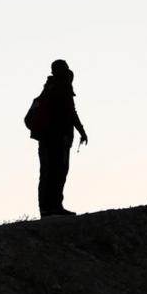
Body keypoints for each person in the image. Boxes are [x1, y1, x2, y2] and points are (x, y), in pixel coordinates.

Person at [33, 59, 88, 217]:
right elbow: (71, 112)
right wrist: (82, 131)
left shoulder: (48, 87)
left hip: (45, 138)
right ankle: (55, 206)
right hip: (58, 137)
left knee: (46, 172)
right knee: (58, 171)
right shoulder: (62, 87)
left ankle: (46, 208)